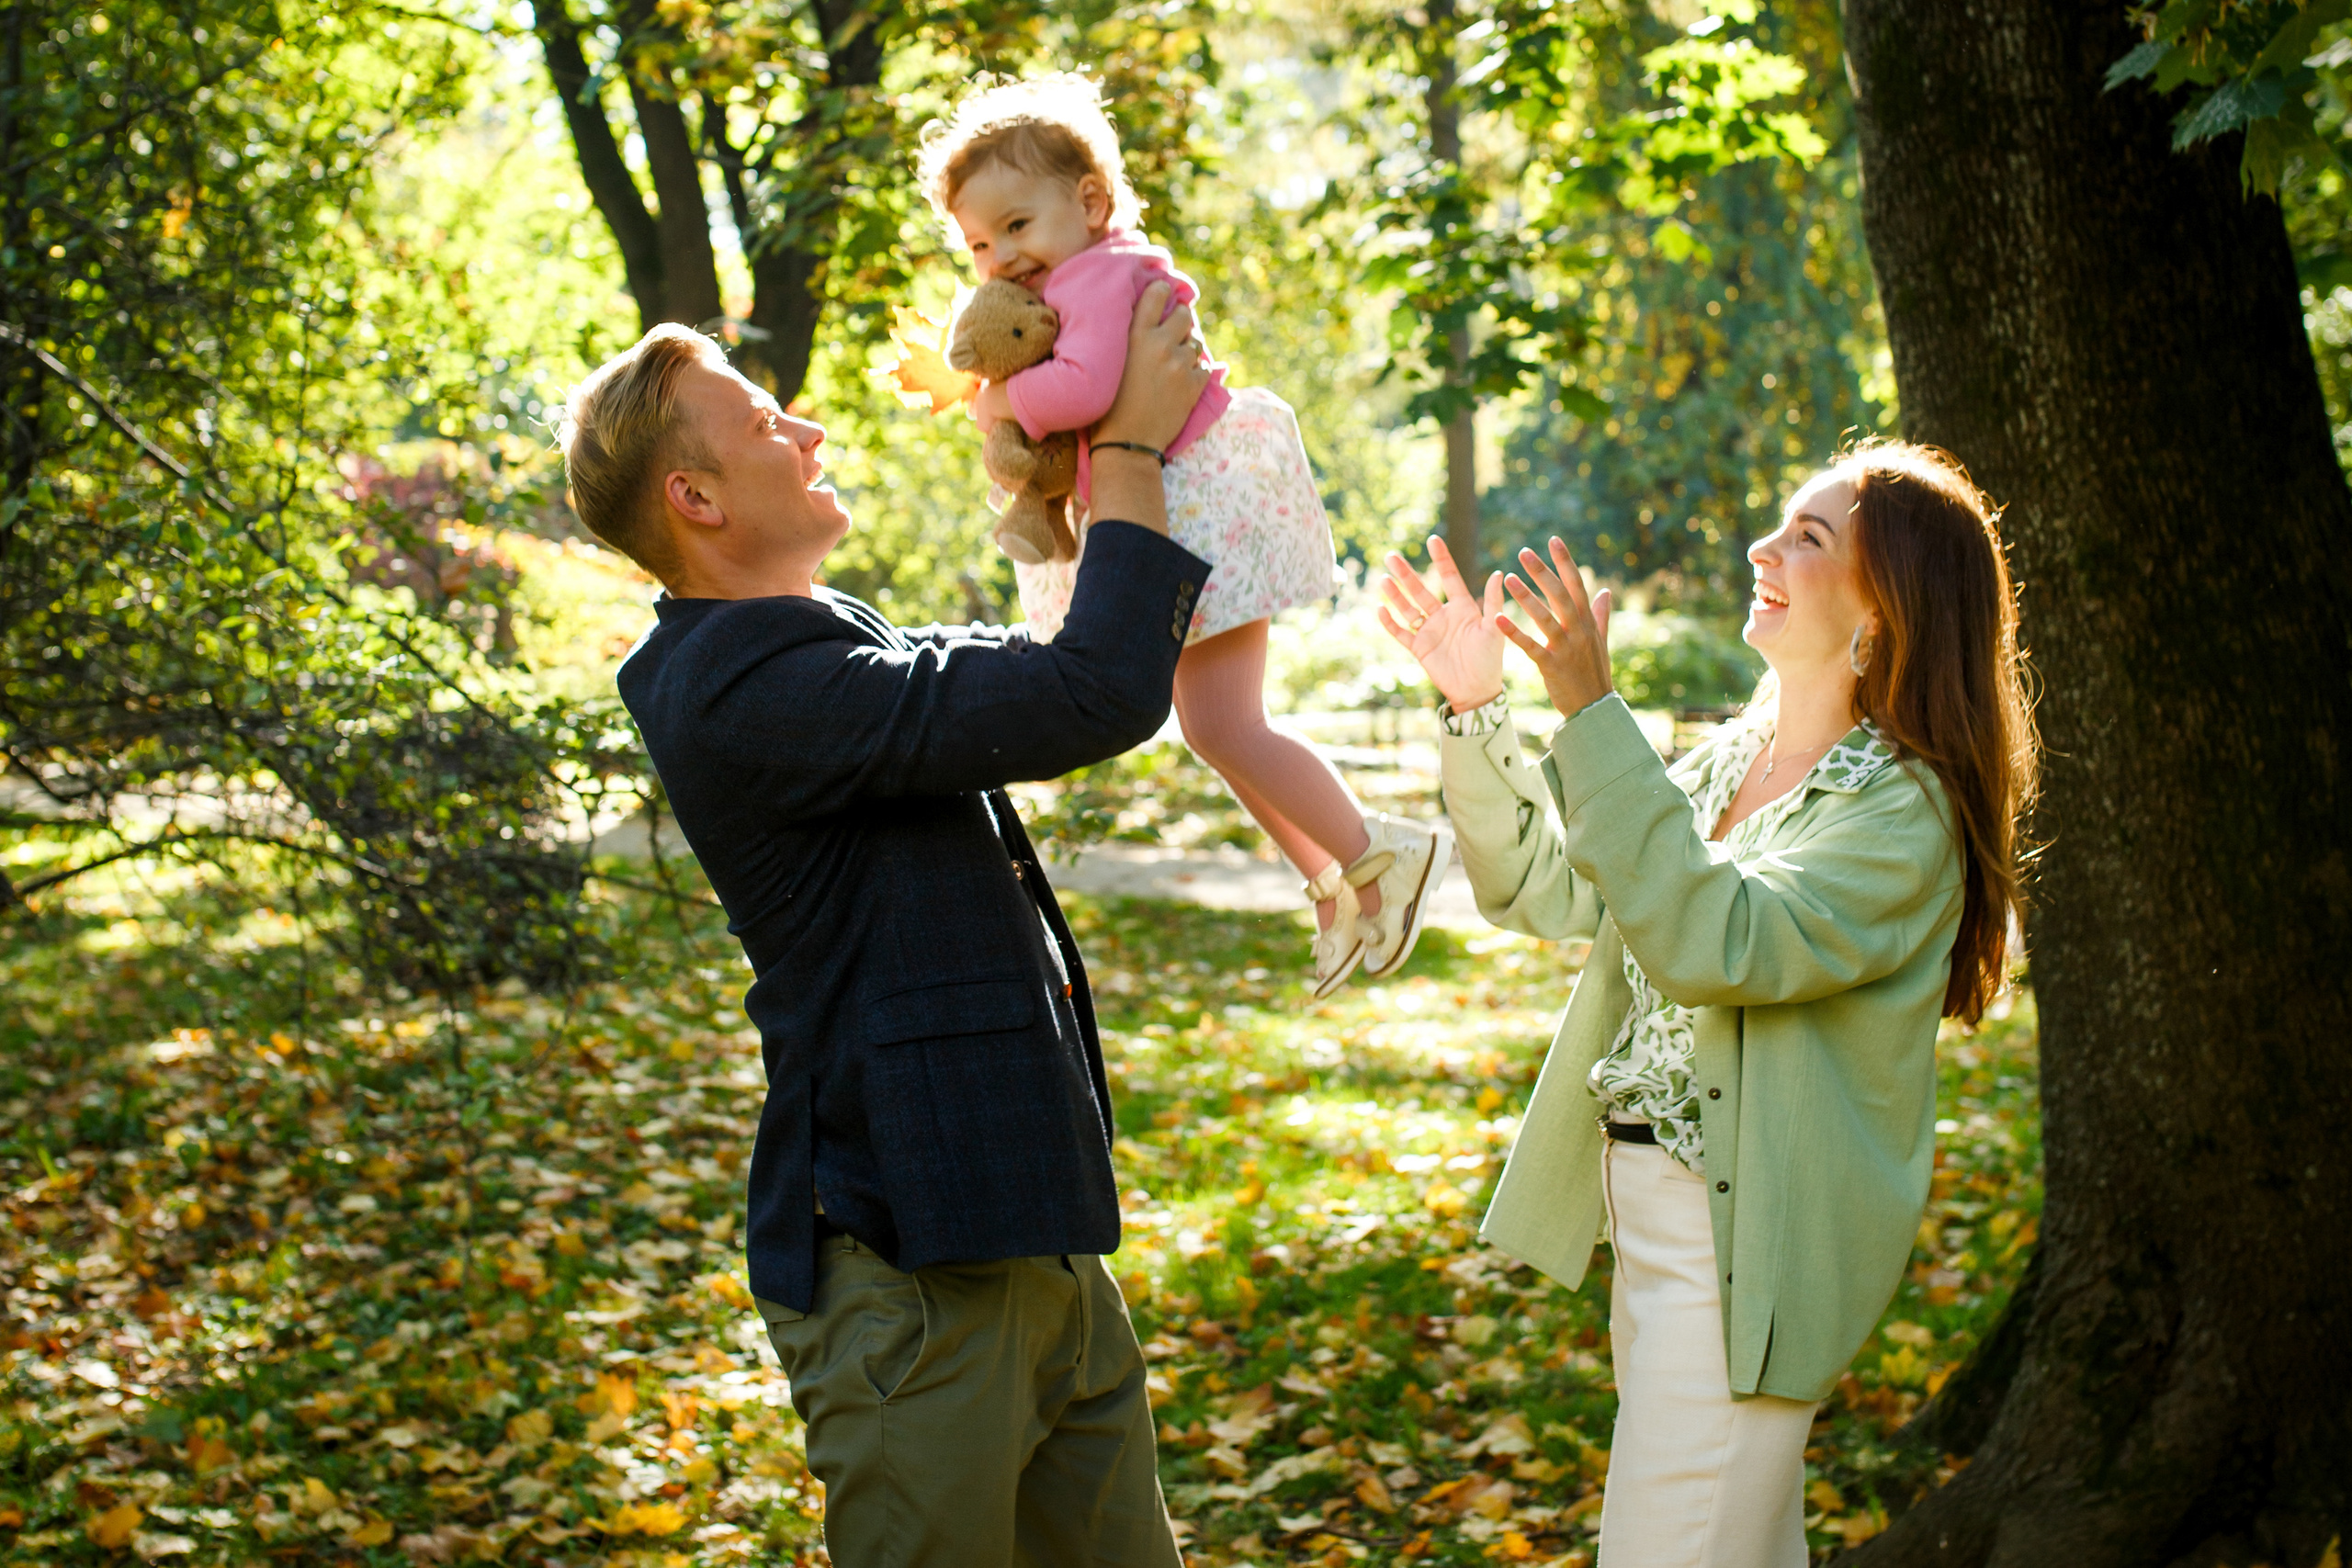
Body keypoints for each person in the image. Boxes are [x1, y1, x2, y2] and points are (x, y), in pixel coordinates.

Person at [558, 287, 1210, 1567]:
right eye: (759, 420)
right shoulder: (741, 686)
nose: (803, 427)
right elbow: (1092, 690)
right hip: (907, 1265)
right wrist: (1127, 443)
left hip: (1024, 1227)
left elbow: (1046, 657)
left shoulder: (814, 641)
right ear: (696, 498)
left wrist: (1075, 439)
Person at [1381, 443, 2036, 1568]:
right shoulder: (1726, 760)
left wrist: (1590, 709)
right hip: (1651, 1229)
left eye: (1807, 538)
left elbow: (1716, 939)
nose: (1761, 549)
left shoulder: (1901, 813)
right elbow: (1542, 883)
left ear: (1886, 607)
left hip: (1747, 1255)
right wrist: (1478, 706)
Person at [916, 73, 1451, 998]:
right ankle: (1330, 885)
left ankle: (1381, 852)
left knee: (1232, 723)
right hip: (1171, 507)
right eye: (977, 244)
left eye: (1016, 225)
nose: (999, 257)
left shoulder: (1103, 272)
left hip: (1201, 506)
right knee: (1216, 729)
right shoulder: (1068, 277)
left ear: (1089, 202)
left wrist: (995, 398)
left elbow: (1083, 392)